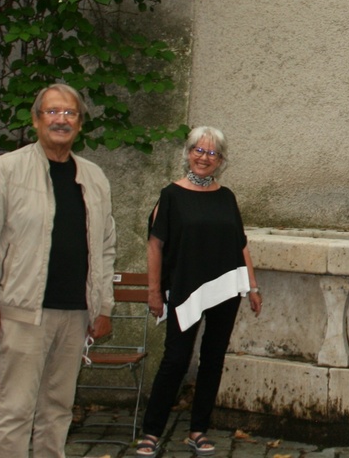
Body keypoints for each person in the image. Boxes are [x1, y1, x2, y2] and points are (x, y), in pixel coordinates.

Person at [0, 82, 116, 457]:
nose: (61, 120)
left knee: (58, 410)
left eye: (70, 113)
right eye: (53, 112)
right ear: (36, 120)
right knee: (15, 410)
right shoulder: (6, 170)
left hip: (76, 314)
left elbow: (106, 246)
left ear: (80, 123)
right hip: (22, 313)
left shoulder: (93, 177)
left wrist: (103, 306)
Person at [136, 126, 262, 457]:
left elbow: (241, 244)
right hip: (185, 289)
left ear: (221, 160)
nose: (204, 158)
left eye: (212, 153)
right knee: (175, 360)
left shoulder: (227, 197)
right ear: (188, 153)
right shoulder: (171, 195)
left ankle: (198, 430)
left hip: (226, 288)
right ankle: (151, 431)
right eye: (199, 150)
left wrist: (252, 286)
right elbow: (155, 245)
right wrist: (153, 291)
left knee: (213, 359)